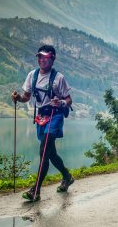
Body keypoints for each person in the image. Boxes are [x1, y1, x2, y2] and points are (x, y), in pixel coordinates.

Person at [12, 45, 74, 202]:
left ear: (52, 58)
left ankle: (36, 190)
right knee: (50, 153)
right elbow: (27, 96)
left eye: (45, 57)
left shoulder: (59, 78)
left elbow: (69, 100)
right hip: (40, 117)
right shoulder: (32, 75)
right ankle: (67, 176)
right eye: (39, 57)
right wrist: (18, 98)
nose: (41, 60)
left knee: (44, 150)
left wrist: (59, 102)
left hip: (55, 115)